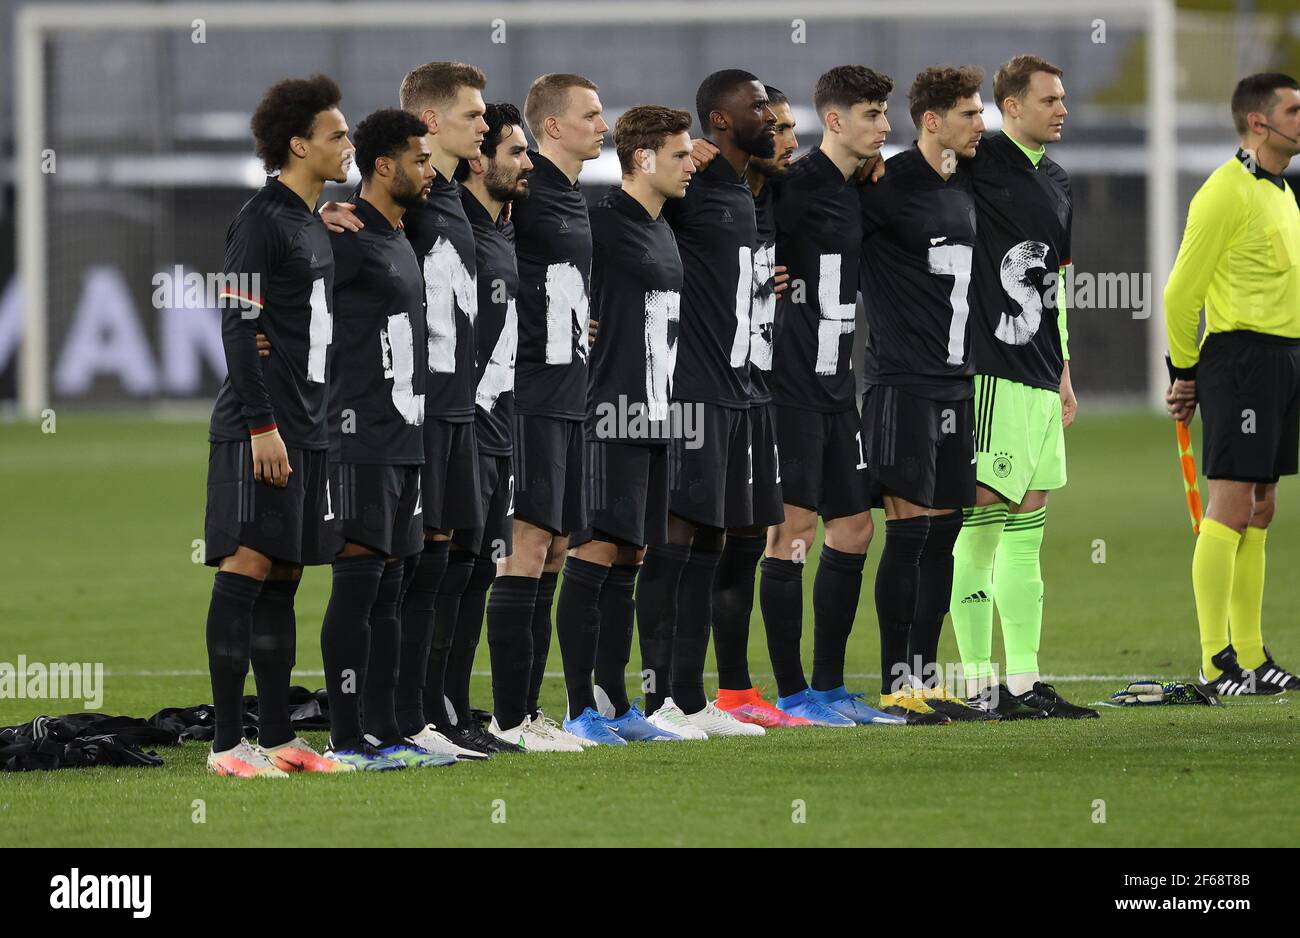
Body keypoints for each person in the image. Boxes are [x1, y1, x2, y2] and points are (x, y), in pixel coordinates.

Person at [202, 74, 354, 776]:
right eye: (336, 135)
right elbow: (239, 326)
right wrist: (262, 427)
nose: (348, 145)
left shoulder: (308, 218)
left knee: (287, 575)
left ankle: (276, 737)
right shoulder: (261, 220)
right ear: (299, 145)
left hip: (310, 427)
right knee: (248, 566)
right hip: (259, 429)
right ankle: (226, 744)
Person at [947, 55, 1096, 719]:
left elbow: (1053, 287)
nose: (1061, 109)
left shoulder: (1058, 180)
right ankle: (978, 685)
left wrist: (1063, 372)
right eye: (1049, 100)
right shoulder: (978, 164)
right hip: (991, 373)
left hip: (1039, 378)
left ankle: (1024, 683)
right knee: (981, 524)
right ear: (1011, 107)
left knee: (1028, 530)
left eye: (1063, 99)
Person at [557, 104, 699, 744]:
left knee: (633, 556)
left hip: (656, 414)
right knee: (595, 552)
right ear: (642, 159)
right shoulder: (602, 223)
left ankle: (617, 704)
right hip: (608, 412)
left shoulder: (662, 227)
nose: (690, 162)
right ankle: (579, 705)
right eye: (678, 153)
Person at [1165, 72, 1300, 696]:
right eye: (1294, 110)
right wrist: (1184, 373)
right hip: (1240, 359)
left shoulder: (1281, 191)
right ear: (1258, 122)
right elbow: (1178, 293)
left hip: (1282, 361)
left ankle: (1252, 654)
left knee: (1262, 508)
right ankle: (1214, 659)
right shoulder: (1224, 192)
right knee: (1231, 505)